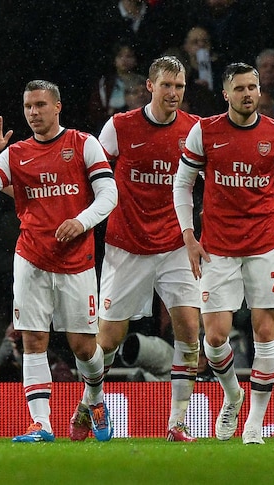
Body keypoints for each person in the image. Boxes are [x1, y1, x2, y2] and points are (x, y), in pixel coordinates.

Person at [173, 62, 274, 445]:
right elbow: (182, 185)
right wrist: (188, 235)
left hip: (264, 246)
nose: (248, 93)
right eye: (240, 88)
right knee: (215, 338)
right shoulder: (203, 132)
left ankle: (254, 423)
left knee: (265, 330)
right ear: (226, 94)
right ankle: (233, 394)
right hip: (217, 248)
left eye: (253, 87)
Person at [0, 80, 117, 442]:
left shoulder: (83, 144)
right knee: (33, 340)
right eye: (28, 106)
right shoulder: (16, 153)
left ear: (58, 106)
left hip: (76, 261)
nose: (33, 112)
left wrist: (81, 221)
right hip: (31, 257)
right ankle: (41, 423)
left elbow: (109, 193)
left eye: (40, 105)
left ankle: (95, 398)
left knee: (83, 347)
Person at [94, 56, 201, 443]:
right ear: (150, 87)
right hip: (127, 246)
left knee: (190, 328)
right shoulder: (119, 127)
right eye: (167, 86)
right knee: (108, 340)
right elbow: (94, 176)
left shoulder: (194, 130)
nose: (174, 93)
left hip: (175, 244)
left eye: (180, 87)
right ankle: (91, 400)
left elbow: (217, 183)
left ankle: (177, 422)